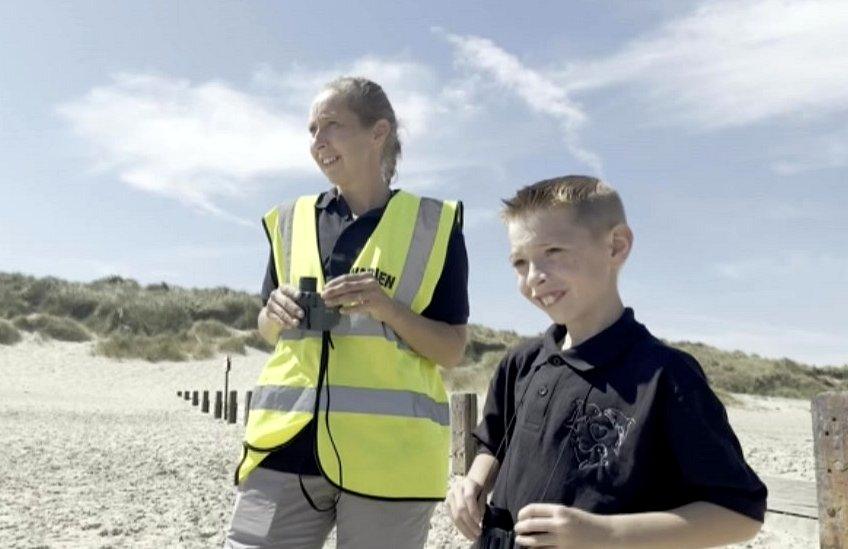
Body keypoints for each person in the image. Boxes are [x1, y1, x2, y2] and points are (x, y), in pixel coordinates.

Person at [446, 175, 767, 548]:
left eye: (553, 252)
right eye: (520, 262)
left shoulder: (666, 377)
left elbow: (740, 513)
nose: (534, 277)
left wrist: (605, 533)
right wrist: (473, 483)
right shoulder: (520, 362)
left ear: (616, 246)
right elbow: (493, 443)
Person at [225, 76, 470, 548]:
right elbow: (265, 329)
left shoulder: (434, 225)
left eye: (332, 125)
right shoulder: (289, 219)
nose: (317, 141)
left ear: (378, 133)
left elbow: (453, 349)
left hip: (389, 461)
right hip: (281, 448)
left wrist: (388, 310)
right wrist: (273, 314)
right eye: (312, 129)